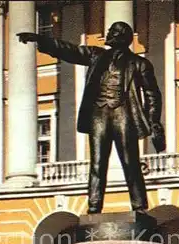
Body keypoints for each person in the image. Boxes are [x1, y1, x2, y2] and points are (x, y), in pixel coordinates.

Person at [18, 21, 165, 214]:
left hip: (123, 114)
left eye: (112, 31)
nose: (108, 33)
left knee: (130, 161)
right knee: (97, 163)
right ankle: (94, 207)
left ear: (123, 36)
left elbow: (152, 94)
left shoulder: (139, 63)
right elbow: (71, 51)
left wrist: (153, 121)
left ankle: (139, 207)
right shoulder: (97, 55)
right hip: (99, 114)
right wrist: (42, 40)